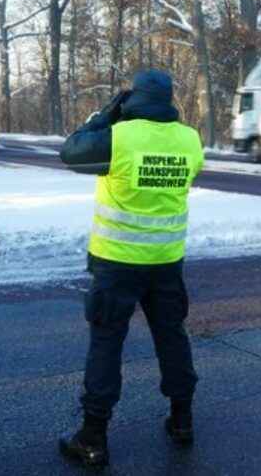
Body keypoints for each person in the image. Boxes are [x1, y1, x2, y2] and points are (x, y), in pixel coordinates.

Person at [57, 69, 205, 468]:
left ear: (133, 99)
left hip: (117, 264)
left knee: (107, 344)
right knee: (172, 338)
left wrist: (106, 114)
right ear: (169, 99)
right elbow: (190, 173)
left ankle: (94, 436)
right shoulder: (190, 139)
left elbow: (71, 151)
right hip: (166, 263)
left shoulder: (119, 137)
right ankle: (182, 419)